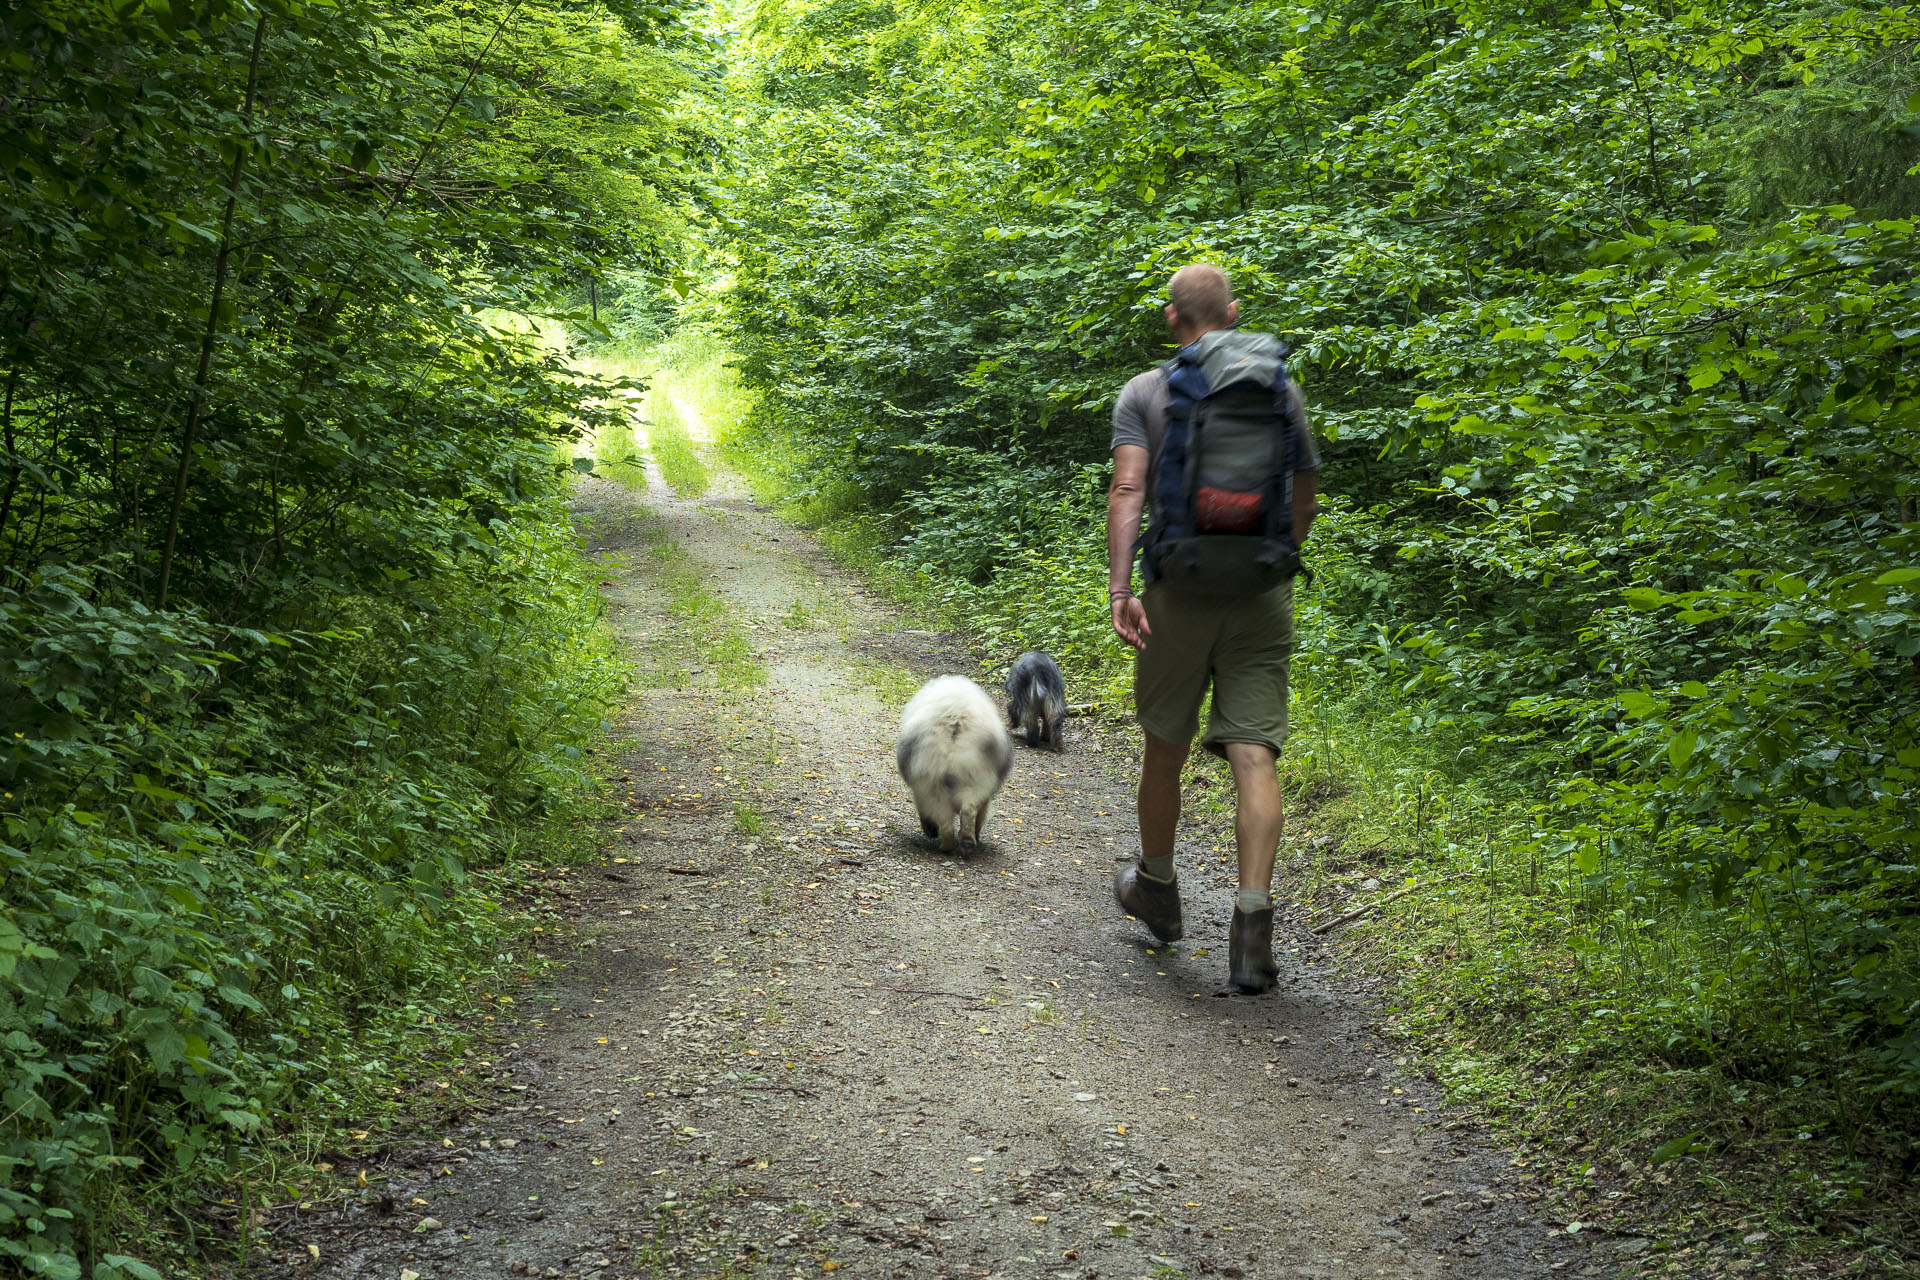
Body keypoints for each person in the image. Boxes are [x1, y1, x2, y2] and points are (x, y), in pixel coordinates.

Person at [1105, 263, 1321, 993]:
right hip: (1261, 591)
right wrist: (1274, 559)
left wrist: (1120, 586)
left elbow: (1130, 487)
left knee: (1164, 748)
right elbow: (1302, 488)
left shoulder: (1147, 392)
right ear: (1232, 313)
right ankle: (1252, 923)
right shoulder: (1280, 389)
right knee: (1255, 753)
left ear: (1173, 319)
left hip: (1177, 588)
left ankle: (1158, 892)